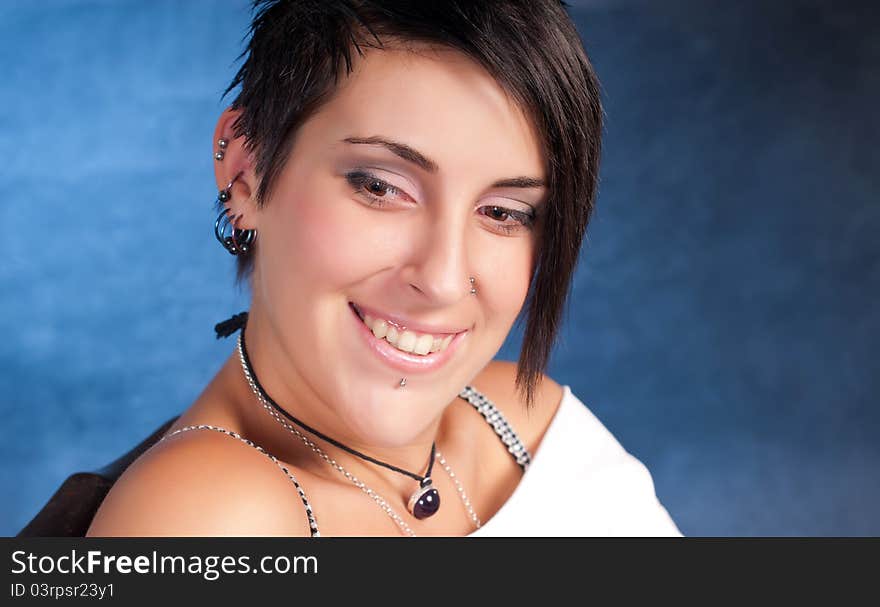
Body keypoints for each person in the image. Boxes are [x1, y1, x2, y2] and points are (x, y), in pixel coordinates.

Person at [85, 0, 682, 537]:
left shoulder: (525, 422)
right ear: (245, 169)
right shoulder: (205, 518)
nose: (444, 278)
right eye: (380, 186)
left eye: (503, 211)